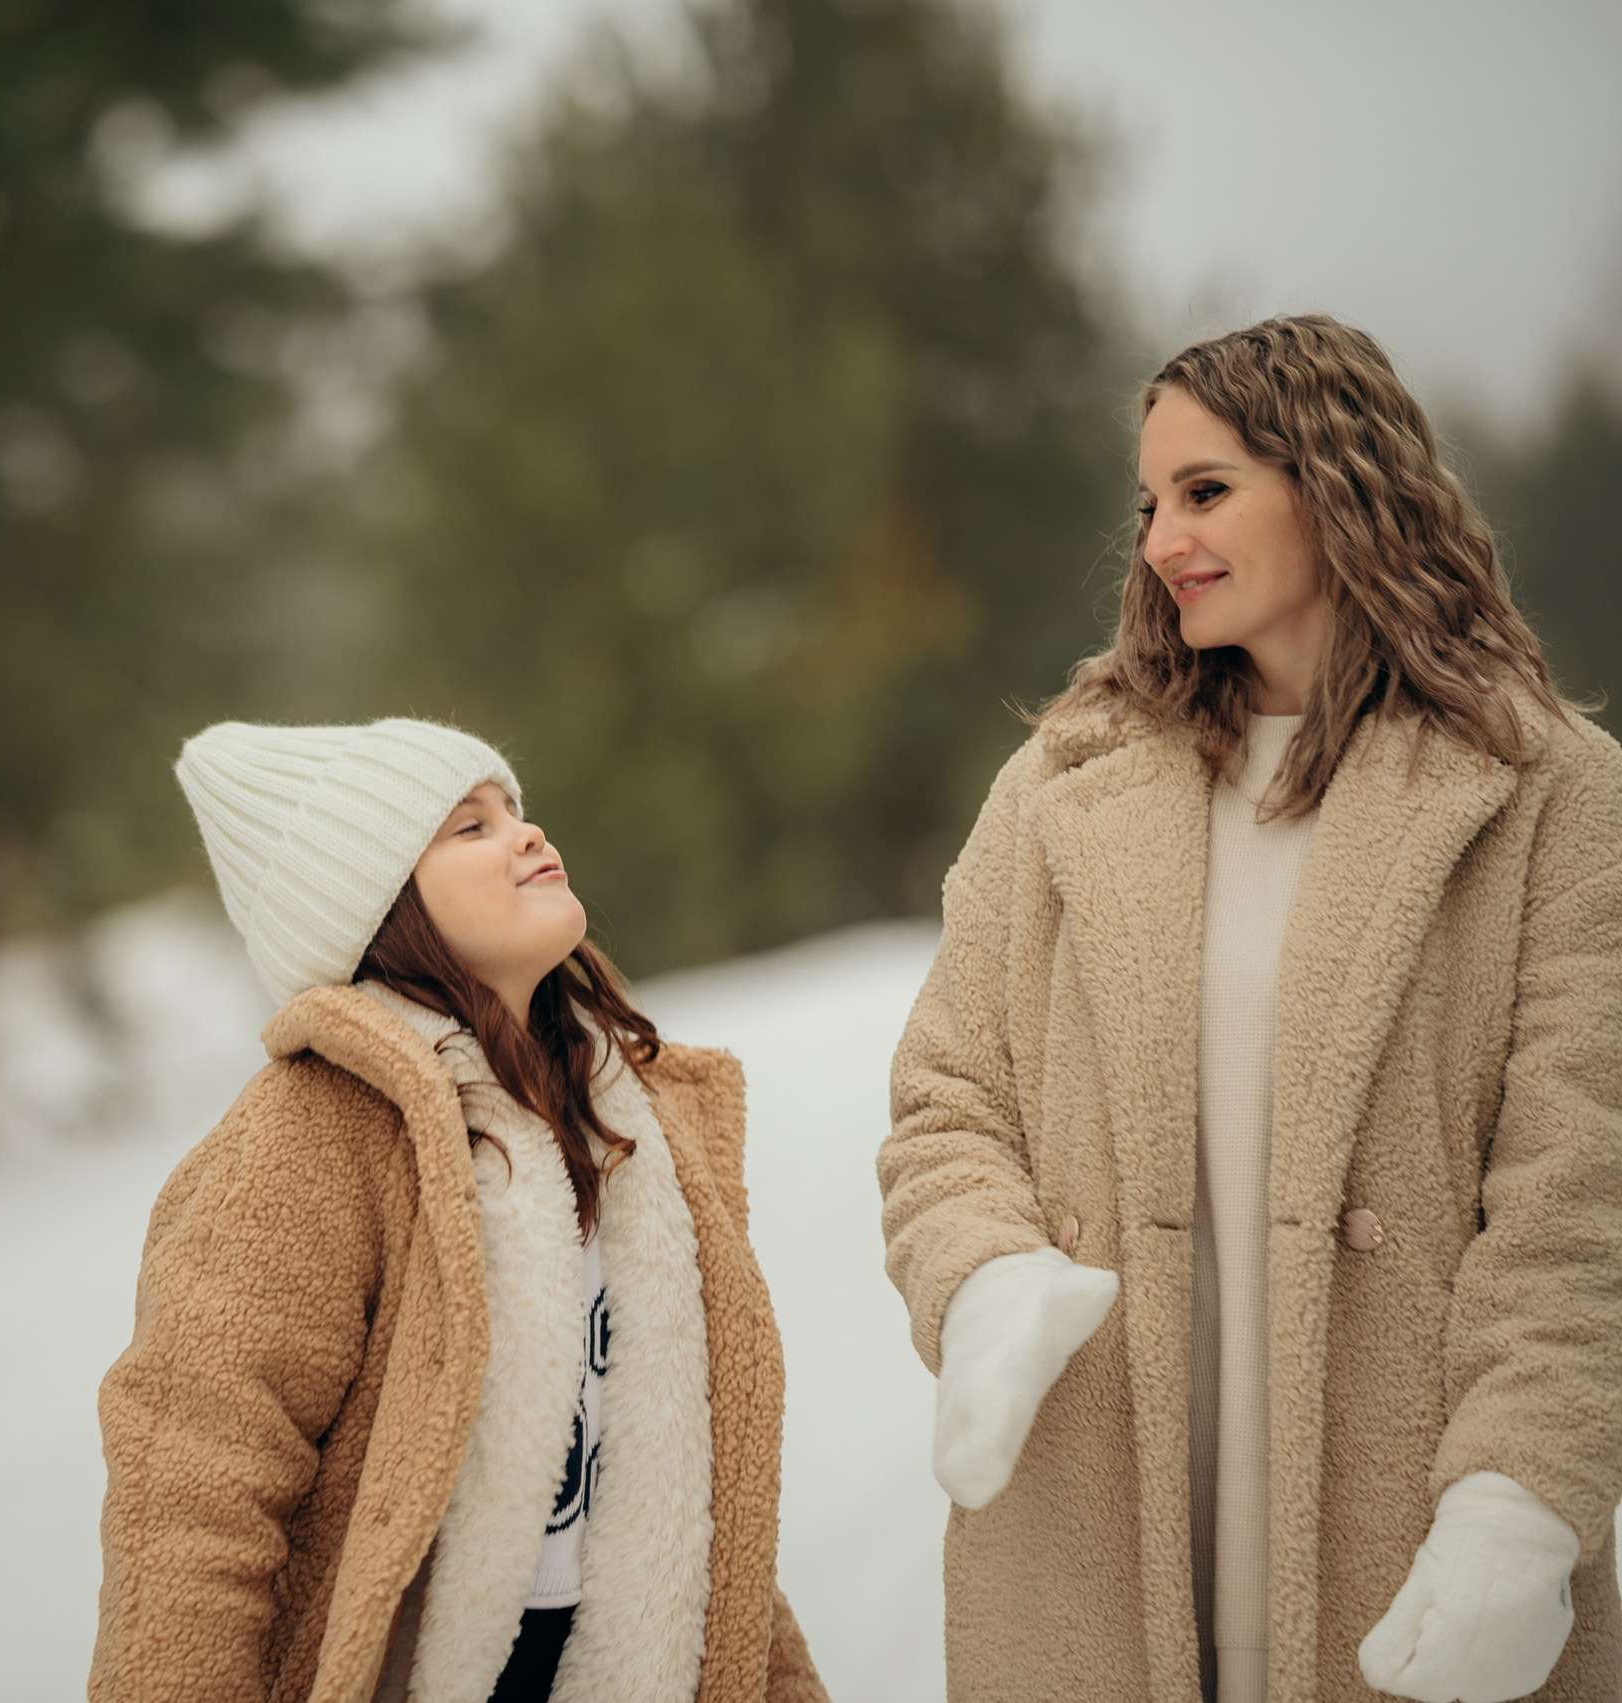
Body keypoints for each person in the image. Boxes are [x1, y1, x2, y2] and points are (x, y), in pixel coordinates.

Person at [878, 313, 1622, 1703]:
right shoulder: (1059, 785)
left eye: (1205, 491)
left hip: (1420, 1561)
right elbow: (946, 1098)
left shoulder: (1551, 796)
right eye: (1147, 504)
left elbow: (1578, 1200)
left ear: (1339, 483)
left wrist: (1517, 1500)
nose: (1162, 540)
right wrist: (984, 1279)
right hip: (1096, 1557)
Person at [90, 718, 827, 1703]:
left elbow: (700, 1502)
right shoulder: (309, 1137)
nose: (526, 832)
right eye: (469, 826)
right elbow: (191, 1494)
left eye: (514, 809)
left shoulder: (625, 1124)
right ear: (379, 909)